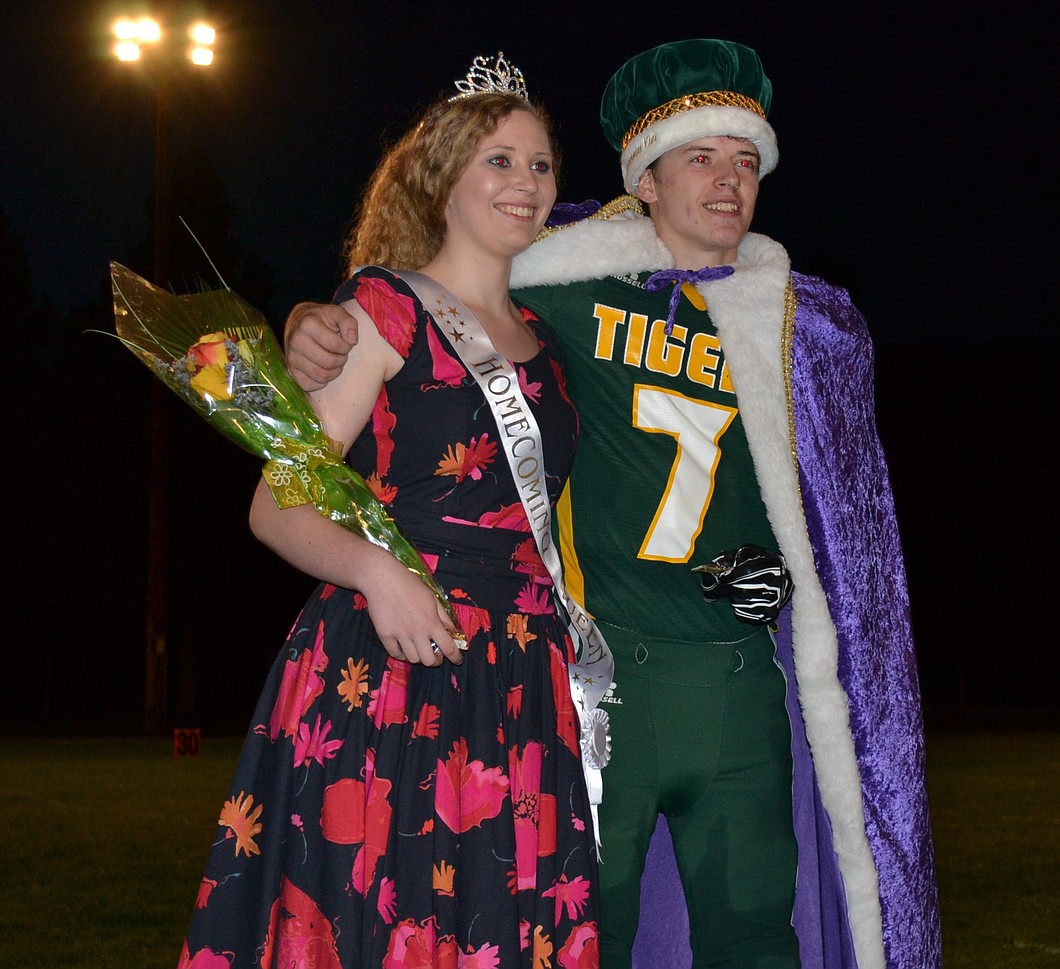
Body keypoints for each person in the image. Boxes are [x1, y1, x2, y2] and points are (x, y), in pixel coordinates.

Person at [286, 40, 941, 969]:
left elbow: (838, 516)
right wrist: (316, 323)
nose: (728, 182)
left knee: (757, 935)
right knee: (579, 935)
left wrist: (786, 573)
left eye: (747, 161)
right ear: (645, 177)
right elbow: (434, 287)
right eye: (702, 157)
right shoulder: (563, 281)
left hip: (737, 679)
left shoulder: (797, 323)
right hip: (598, 679)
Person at [179, 56, 606, 969]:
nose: (526, 183)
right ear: (442, 176)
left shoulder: (552, 350)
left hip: (519, 681)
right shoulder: (383, 310)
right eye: (498, 159)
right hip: (393, 667)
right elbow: (273, 504)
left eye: (539, 164)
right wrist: (380, 575)